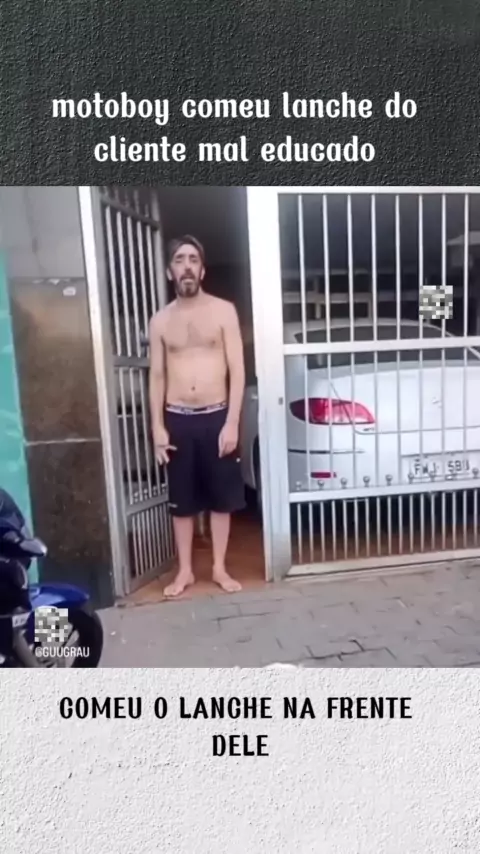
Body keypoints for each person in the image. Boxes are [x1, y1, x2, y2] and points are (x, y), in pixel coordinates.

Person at [149, 235, 246, 598]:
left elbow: (237, 369)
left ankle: (219, 567)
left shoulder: (224, 311)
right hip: (178, 419)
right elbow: (157, 375)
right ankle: (186, 571)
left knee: (222, 497)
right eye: (179, 259)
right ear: (169, 271)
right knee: (182, 501)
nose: (186, 266)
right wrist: (157, 427)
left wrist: (232, 422)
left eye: (193, 259)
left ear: (202, 270)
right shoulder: (160, 321)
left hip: (217, 415)